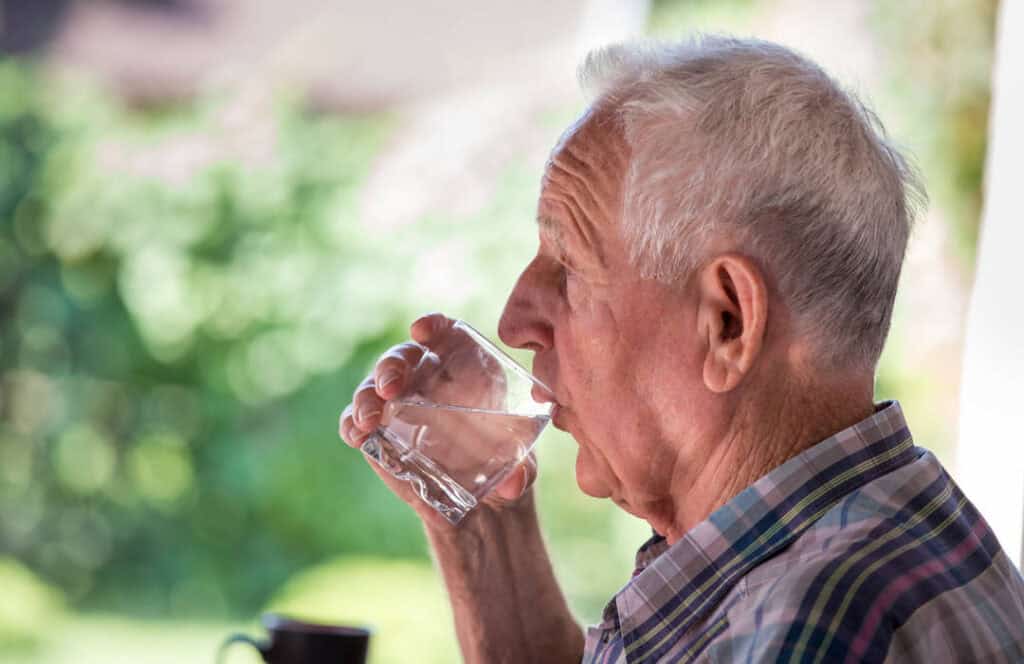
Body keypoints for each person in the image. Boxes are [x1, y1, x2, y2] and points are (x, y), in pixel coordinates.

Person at [339, 35, 1024, 663]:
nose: (515, 319)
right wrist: (482, 522)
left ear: (728, 322)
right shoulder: (867, 531)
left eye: (569, 267)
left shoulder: (813, 629)